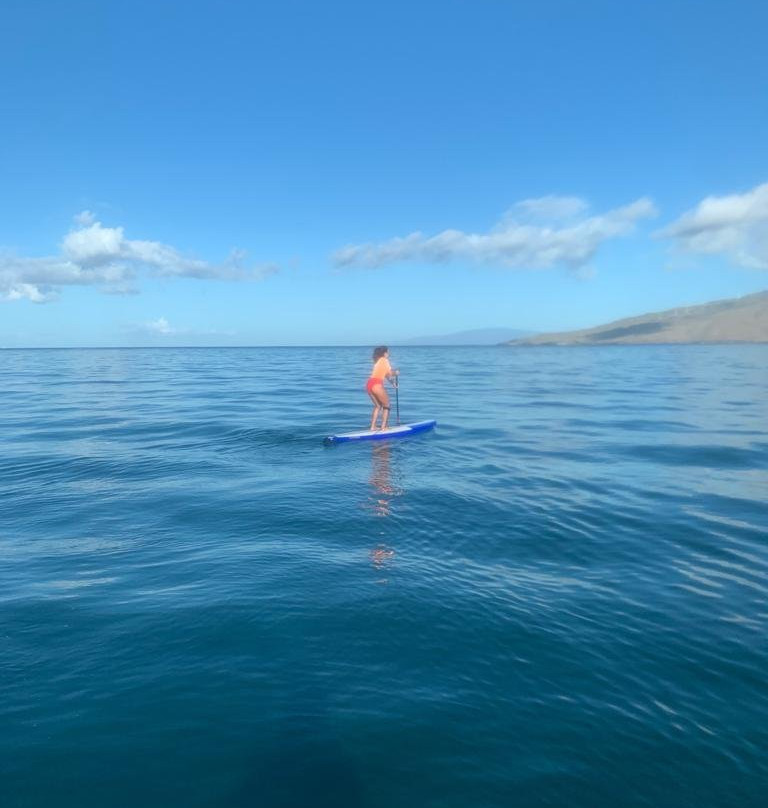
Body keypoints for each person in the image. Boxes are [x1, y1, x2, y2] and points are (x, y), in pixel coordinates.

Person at [365, 345, 399, 430]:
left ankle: (372, 427)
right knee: (387, 405)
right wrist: (396, 372)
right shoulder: (384, 360)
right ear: (384, 353)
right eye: (388, 352)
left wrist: (393, 383)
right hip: (376, 384)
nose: (389, 353)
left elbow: (386, 375)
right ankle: (384, 427)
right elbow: (391, 373)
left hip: (369, 383)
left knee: (378, 406)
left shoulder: (378, 361)